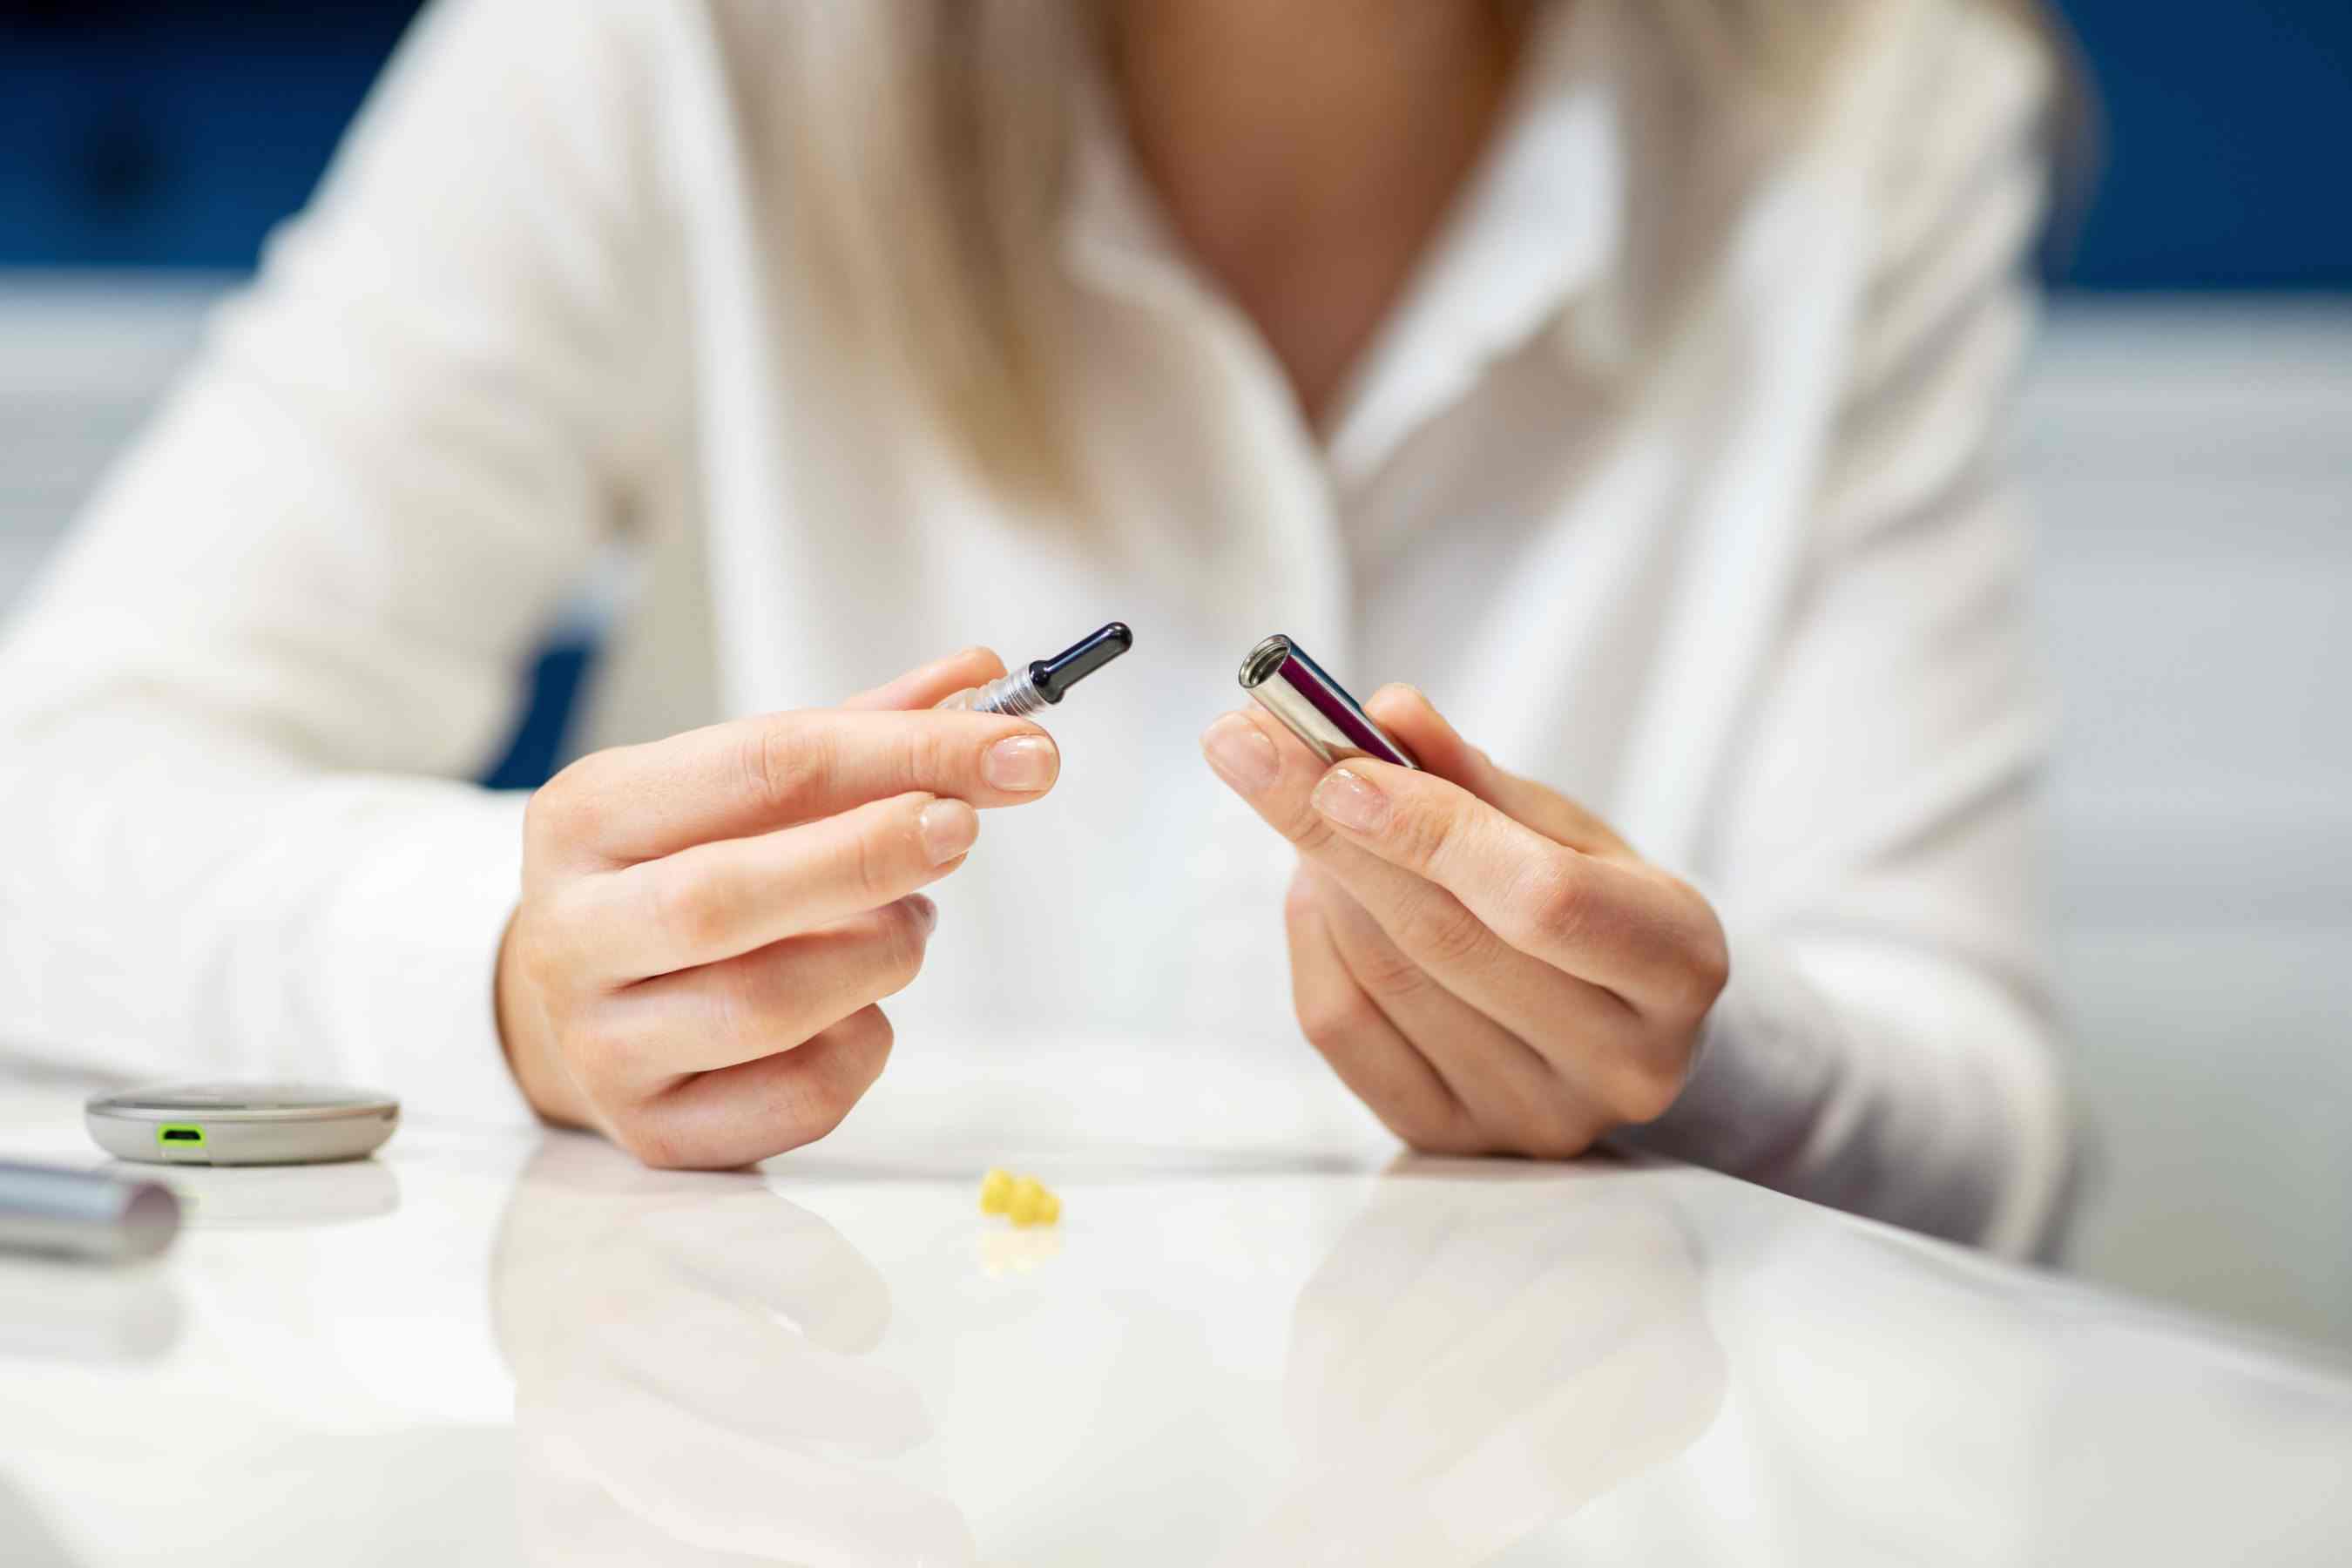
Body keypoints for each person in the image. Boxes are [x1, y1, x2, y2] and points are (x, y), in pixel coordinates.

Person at [0, 0, 2077, 1255]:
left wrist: (1679, 1054)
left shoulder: (1862, 112)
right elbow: (50, 808)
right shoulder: (679, 46)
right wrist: (527, 979)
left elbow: (1986, 1132)